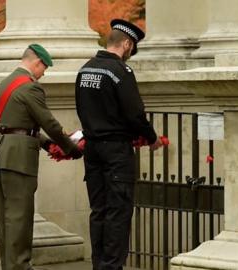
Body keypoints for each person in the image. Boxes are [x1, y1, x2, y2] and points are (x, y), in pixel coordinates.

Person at [75, 19, 162, 270]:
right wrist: (151, 137)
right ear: (125, 44)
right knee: (118, 212)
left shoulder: (85, 69)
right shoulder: (121, 72)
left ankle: (98, 264)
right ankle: (111, 267)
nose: (130, 54)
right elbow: (134, 113)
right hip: (115, 151)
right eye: (131, 48)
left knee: (98, 210)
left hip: (92, 148)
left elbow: (82, 108)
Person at [0, 43, 83, 270]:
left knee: (6, 219)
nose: (44, 74)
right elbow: (48, 122)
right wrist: (70, 147)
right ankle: (20, 266)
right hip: (19, 160)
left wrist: (47, 144)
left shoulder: (6, 83)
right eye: (44, 68)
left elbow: (16, 125)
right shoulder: (31, 88)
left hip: (2, 153)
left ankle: (9, 265)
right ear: (37, 62)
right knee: (20, 218)